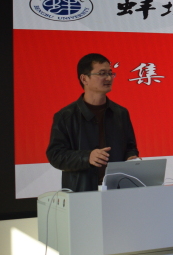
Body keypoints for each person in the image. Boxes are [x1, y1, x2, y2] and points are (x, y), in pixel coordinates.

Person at [46, 53, 139, 192]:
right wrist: (87, 157)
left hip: (116, 190)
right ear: (84, 79)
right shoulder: (66, 116)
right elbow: (56, 155)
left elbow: (130, 147)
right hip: (81, 191)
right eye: (102, 73)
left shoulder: (120, 113)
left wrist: (131, 159)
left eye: (110, 73)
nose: (109, 78)